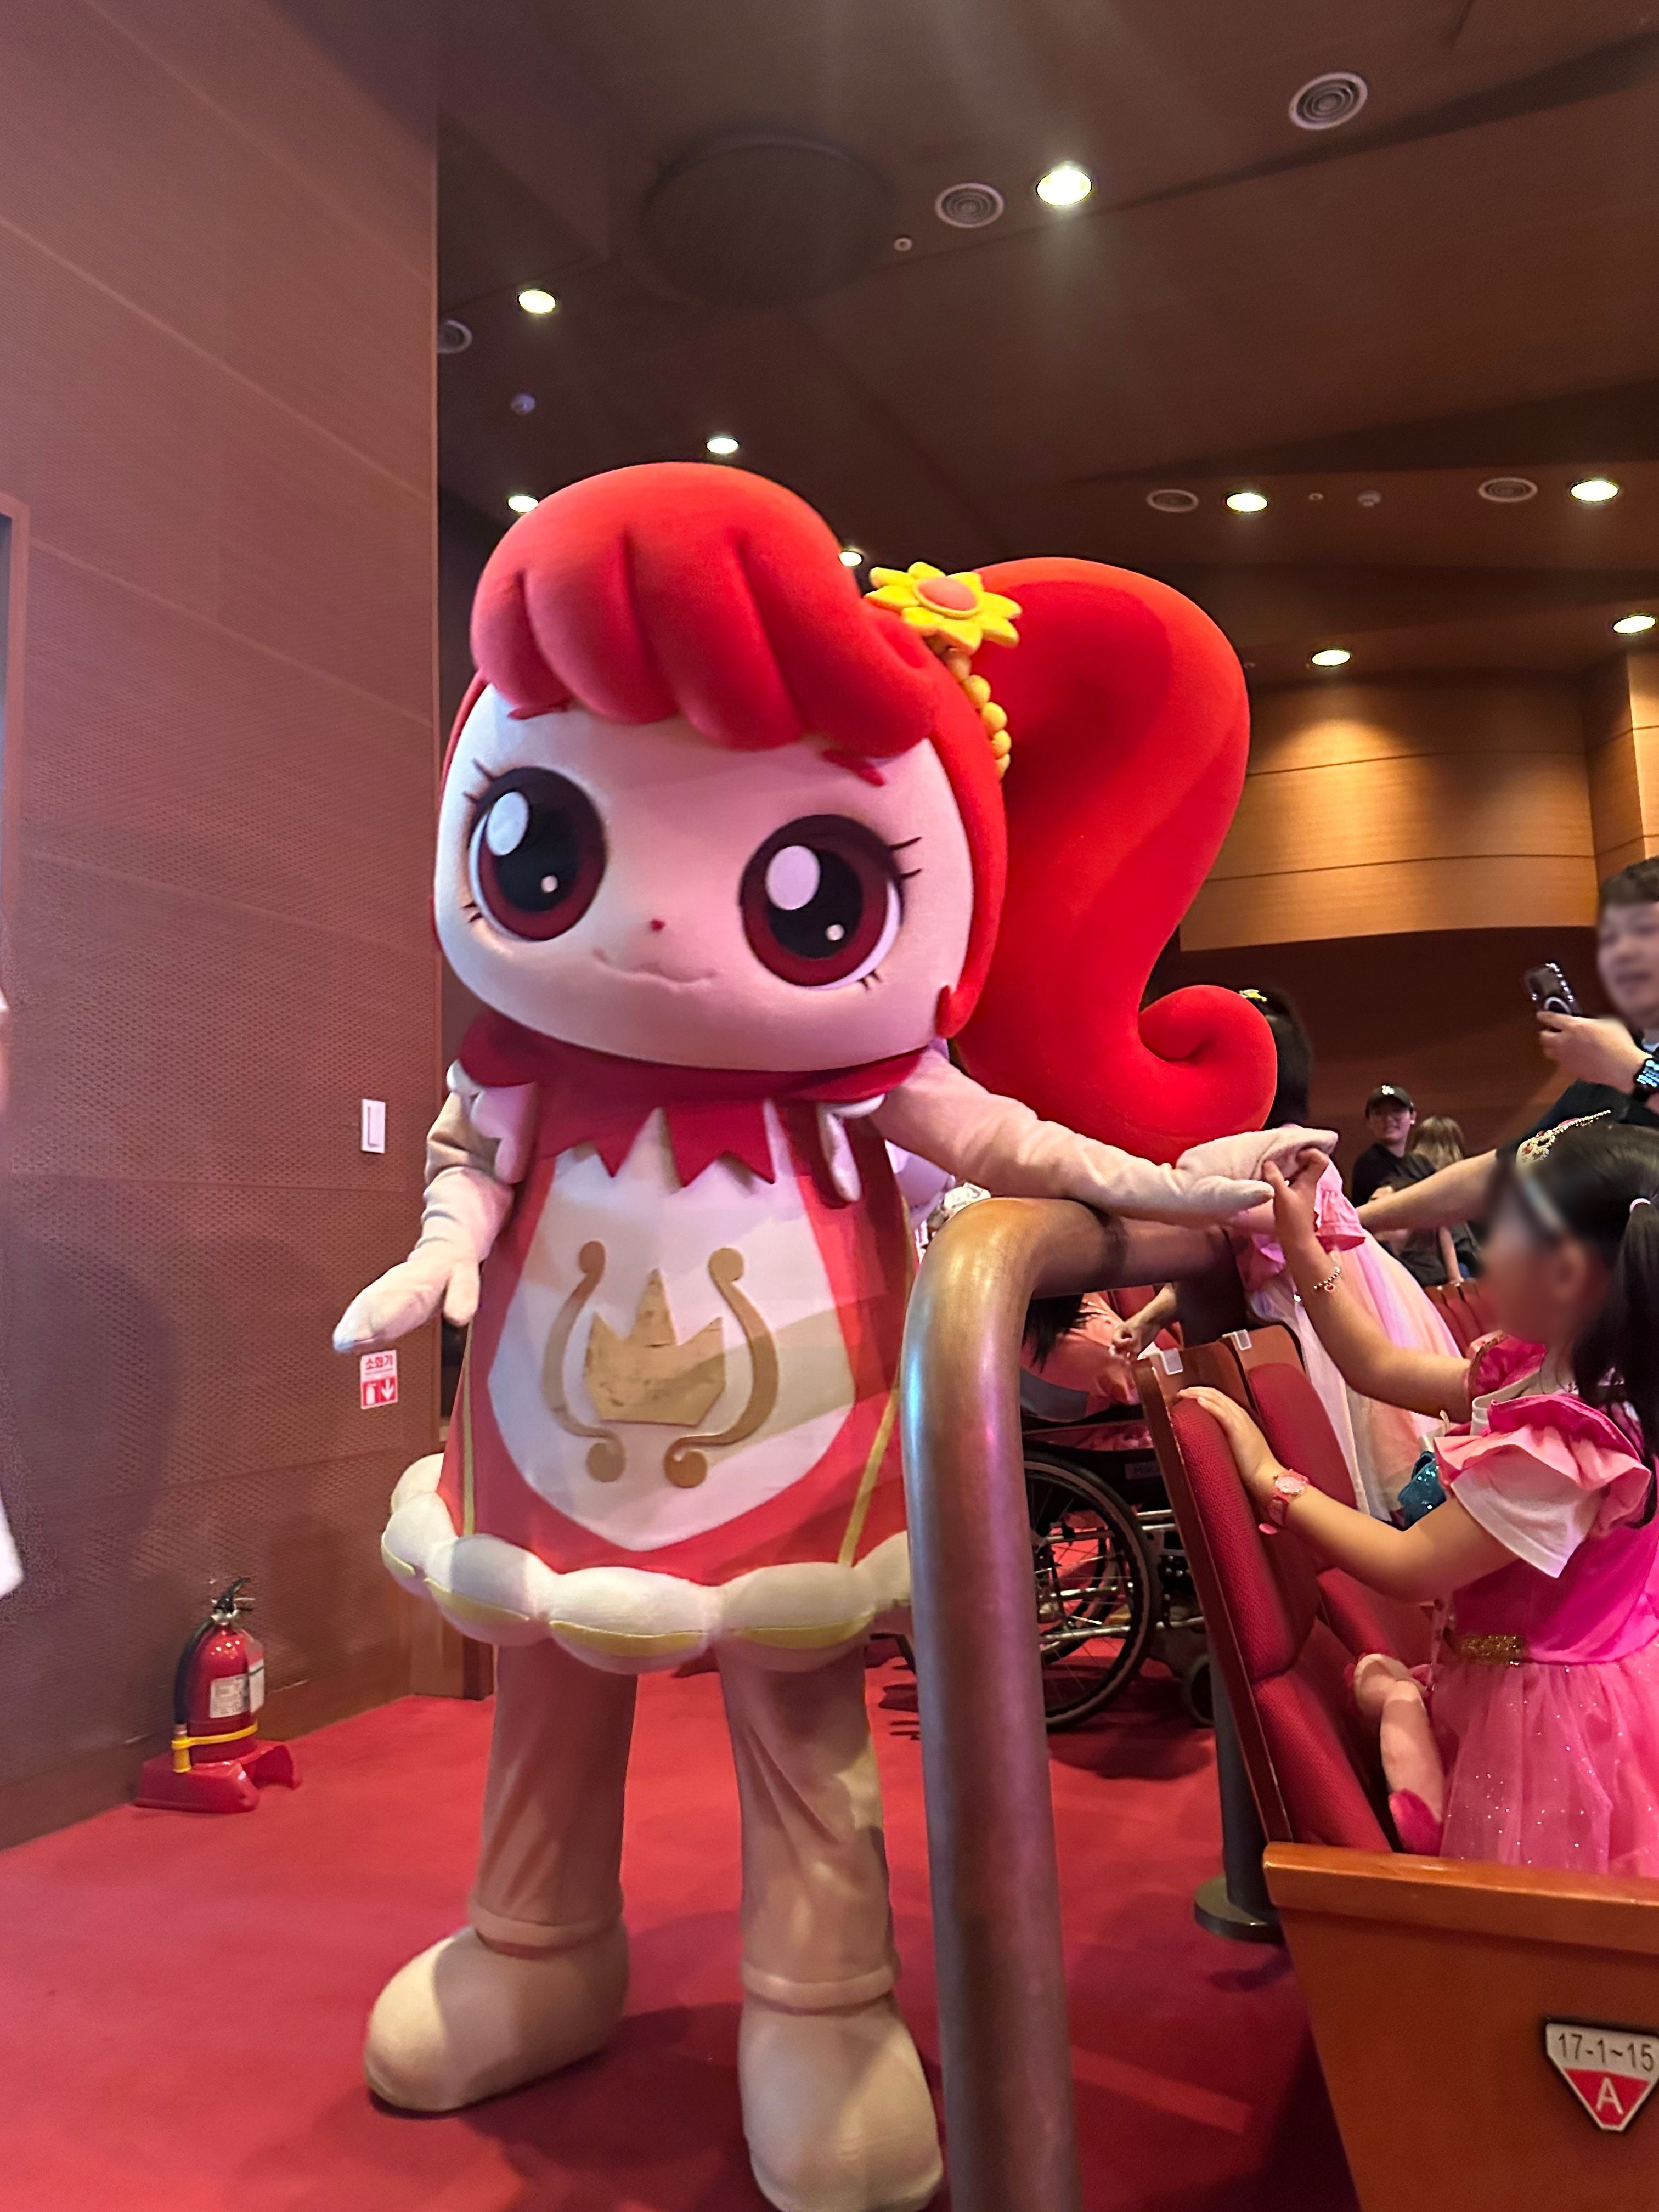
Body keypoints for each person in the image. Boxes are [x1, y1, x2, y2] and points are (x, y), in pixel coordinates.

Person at [1183, 1114, 1659, 1875]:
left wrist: (1269, 1476)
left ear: (1567, 1274)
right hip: (1528, 1674)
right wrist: (1303, 1248)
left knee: (1532, 1901)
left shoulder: (1559, 1448)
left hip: (1550, 1716)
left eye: (1503, 1233)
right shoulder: (1562, 1373)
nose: (1484, 1253)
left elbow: (1410, 1567)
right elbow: (1376, 1365)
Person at [1118, 989, 1457, 1517]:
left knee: (1350, 1449)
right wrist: (1150, 1315)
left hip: (1326, 1305)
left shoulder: (1291, 1145)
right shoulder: (1241, 1151)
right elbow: (1236, 1247)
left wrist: (1176, 1196)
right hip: (1307, 1305)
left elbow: (1273, 1218)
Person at [1361, 860, 1659, 1239]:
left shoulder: (1620, 1064)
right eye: (1612, 937)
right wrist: (1354, 1219)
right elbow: (1497, 1174)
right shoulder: (1600, 1079)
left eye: (1644, 932)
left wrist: (1634, 1071)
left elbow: (1637, 1073)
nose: (1624, 952)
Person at [1348, 1082, 1419, 1206]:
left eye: (1397, 1111)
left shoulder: (1422, 1164)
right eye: (1379, 1113)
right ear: (1369, 1122)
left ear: (1412, 1117)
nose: (1388, 1119)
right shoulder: (1368, 1164)